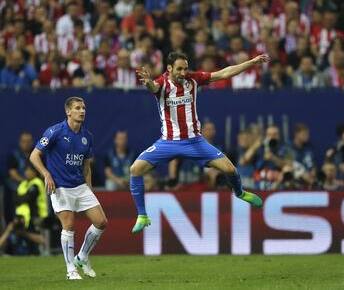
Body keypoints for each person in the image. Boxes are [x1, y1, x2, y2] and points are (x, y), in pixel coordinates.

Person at [133, 52, 269, 233]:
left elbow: (224, 73)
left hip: (194, 142)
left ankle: (240, 193)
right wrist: (148, 82)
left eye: (185, 68)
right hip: (168, 142)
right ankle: (142, 215)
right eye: (179, 69)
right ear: (169, 68)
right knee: (135, 169)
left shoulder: (193, 80)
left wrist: (251, 62)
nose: (183, 72)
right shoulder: (162, 83)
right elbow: (153, 88)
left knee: (230, 169)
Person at [29, 97, 107, 280]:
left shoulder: (87, 136)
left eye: (84, 108)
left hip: (80, 186)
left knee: (101, 222)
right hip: (59, 186)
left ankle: (82, 257)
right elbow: (34, 156)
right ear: (68, 112)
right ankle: (71, 269)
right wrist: (46, 174)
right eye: (78, 108)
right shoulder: (54, 132)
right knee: (69, 224)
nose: (82, 111)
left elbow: (86, 166)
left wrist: (89, 188)